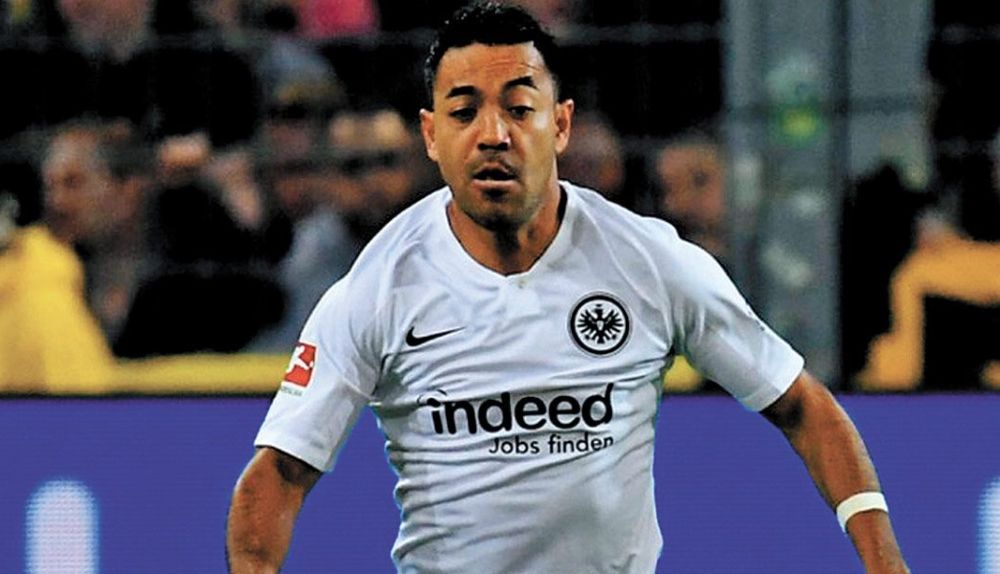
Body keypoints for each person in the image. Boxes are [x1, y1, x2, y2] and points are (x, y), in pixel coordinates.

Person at [226, 3, 910, 573]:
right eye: (464, 113)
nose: (493, 135)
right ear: (431, 136)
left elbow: (801, 405)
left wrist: (885, 563)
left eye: (519, 109)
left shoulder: (648, 261)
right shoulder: (378, 286)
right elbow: (279, 473)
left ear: (560, 124)